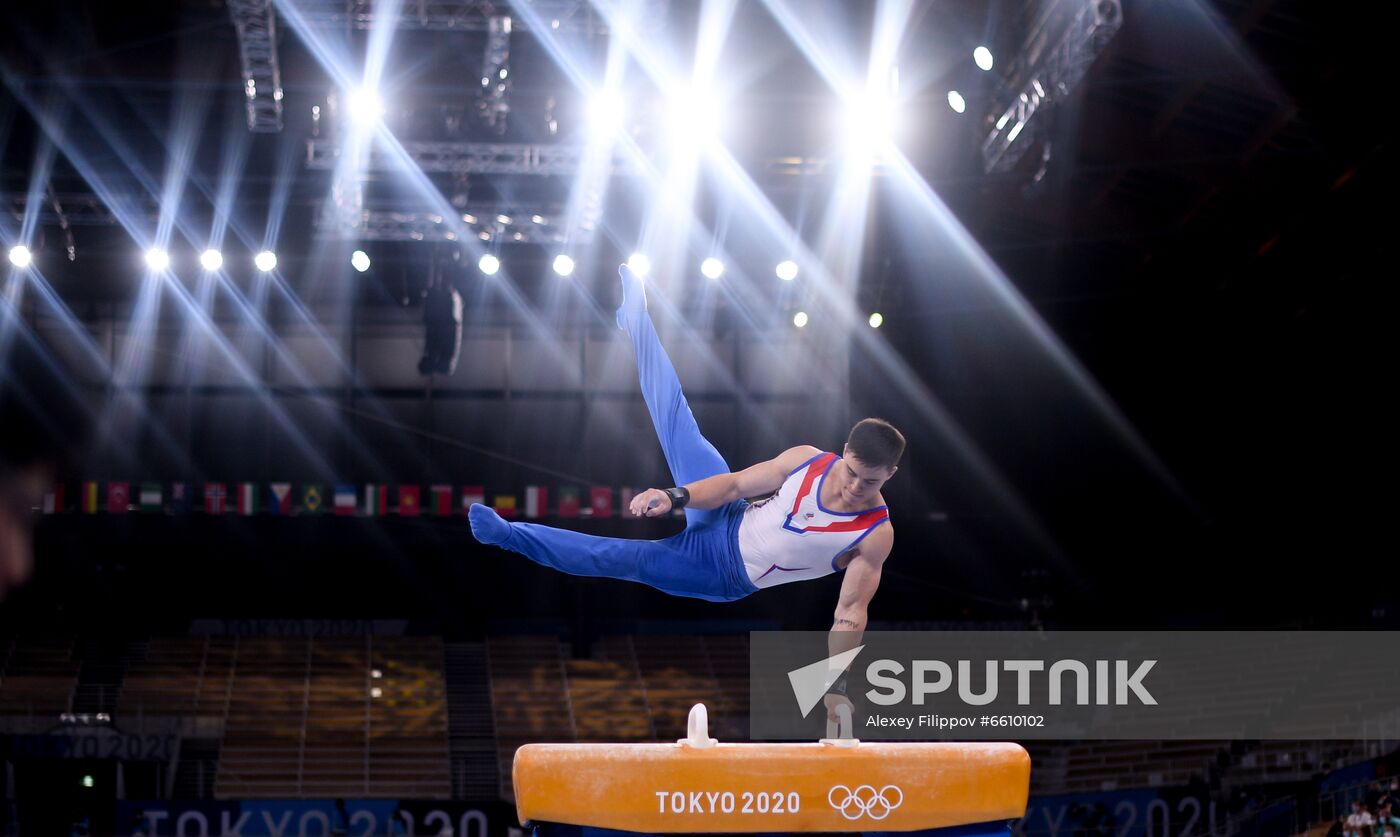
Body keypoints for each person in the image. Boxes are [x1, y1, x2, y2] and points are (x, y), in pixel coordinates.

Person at [468, 265, 901, 719]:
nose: (855, 486)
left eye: (870, 481)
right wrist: (675, 496)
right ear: (845, 450)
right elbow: (733, 484)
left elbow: (849, 614)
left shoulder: (874, 534)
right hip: (727, 515)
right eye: (852, 471)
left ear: (890, 474)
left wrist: (835, 688)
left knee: (616, 557)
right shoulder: (807, 459)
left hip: (719, 572)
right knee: (679, 424)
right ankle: (635, 320)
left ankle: (509, 536)